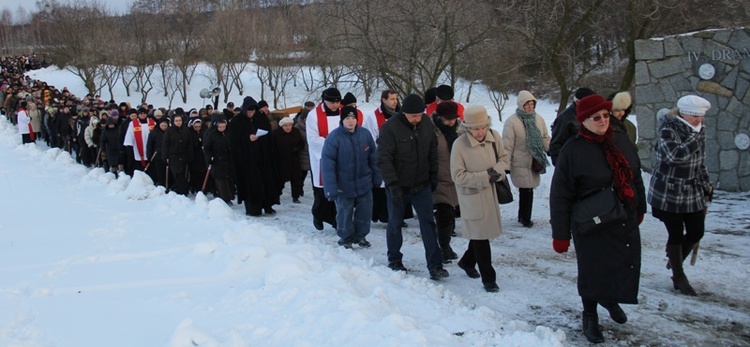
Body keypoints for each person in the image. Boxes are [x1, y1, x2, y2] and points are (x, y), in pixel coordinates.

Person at [550, 94, 646, 344]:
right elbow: (560, 194)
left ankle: (610, 298)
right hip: (590, 221)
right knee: (593, 269)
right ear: (583, 121)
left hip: (622, 215)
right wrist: (560, 234)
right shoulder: (573, 150)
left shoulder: (620, 140)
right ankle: (590, 315)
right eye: (596, 117)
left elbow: (635, 175)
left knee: (620, 262)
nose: (603, 120)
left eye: (605, 115)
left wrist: (640, 207)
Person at [377, 93, 448, 280]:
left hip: (421, 184)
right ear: (404, 113)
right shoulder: (390, 128)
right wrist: (393, 186)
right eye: (413, 116)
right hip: (398, 186)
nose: (417, 119)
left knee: (428, 223)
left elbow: (432, 151)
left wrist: (434, 177)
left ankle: (435, 265)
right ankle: (394, 260)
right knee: (394, 223)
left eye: (419, 115)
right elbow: (384, 159)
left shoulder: (426, 123)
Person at [648, 95, 713, 297]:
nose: (698, 120)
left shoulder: (699, 131)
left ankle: (674, 258)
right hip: (669, 192)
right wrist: (695, 137)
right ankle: (678, 275)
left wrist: (706, 183)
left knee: (696, 231)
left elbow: (699, 161)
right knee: (675, 233)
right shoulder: (669, 130)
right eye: (694, 116)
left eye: (701, 116)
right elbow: (675, 157)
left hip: (692, 191)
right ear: (682, 113)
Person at [450, 105, 509, 292]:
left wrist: (497, 173)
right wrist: (485, 177)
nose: (480, 132)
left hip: (491, 194)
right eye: (476, 128)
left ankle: (467, 261)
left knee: (481, 234)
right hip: (471, 197)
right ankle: (489, 278)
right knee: (480, 237)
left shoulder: (494, 138)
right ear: (467, 128)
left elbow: (505, 160)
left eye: (483, 127)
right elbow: (458, 176)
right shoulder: (459, 145)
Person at [321, 105, 380, 248]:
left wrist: (377, 177)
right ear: (342, 120)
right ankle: (346, 239)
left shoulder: (365, 134)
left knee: (364, 213)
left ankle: (360, 236)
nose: (351, 121)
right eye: (347, 118)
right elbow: (328, 166)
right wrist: (331, 188)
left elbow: (374, 158)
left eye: (353, 118)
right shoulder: (334, 138)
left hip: (364, 183)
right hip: (343, 185)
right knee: (344, 214)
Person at [503, 90, 550, 227]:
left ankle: (523, 216)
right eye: (527, 104)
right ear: (520, 105)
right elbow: (507, 144)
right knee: (526, 189)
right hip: (520, 161)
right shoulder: (512, 122)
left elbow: (544, 137)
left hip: (535, 160)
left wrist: (550, 148)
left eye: (532, 104)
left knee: (529, 189)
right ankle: (525, 218)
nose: (530, 107)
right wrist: (506, 163)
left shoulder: (538, 119)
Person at [228, 96, 281, 216]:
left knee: (266, 181)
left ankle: (268, 205)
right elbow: (233, 141)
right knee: (252, 184)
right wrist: (247, 138)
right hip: (247, 160)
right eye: (249, 111)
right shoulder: (237, 122)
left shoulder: (261, 118)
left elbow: (268, 136)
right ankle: (254, 208)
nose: (251, 113)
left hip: (262, 157)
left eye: (253, 111)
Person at [306, 88, 343, 230]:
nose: (335, 105)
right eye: (331, 102)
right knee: (323, 192)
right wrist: (334, 144)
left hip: (341, 158)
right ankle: (318, 215)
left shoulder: (344, 113)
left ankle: (337, 221)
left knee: (339, 190)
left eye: (337, 102)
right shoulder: (314, 116)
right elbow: (313, 139)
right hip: (321, 157)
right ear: (324, 100)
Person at [362, 89, 400, 224]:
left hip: (399, 158)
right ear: (384, 100)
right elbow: (369, 138)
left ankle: (399, 215)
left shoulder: (401, 114)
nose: (395, 102)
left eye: (396, 99)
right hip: (382, 156)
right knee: (382, 187)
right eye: (392, 99)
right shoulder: (373, 118)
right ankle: (382, 215)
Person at [431, 101, 460, 263]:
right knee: (444, 215)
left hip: (456, 179)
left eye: (453, 118)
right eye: (447, 119)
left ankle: (446, 246)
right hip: (440, 179)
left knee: (451, 216)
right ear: (440, 117)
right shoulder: (433, 132)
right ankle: (443, 248)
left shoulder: (460, 131)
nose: (451, 122)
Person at [549, 87, 596, 165]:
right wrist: (562, 166)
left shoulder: (593, 114)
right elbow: (555, 144)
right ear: (578, 102)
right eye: (588, 102)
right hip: (572, 162)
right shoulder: (564, 118)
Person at [273, 116, 305, 203]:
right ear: (282, 126)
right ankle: (277, 195)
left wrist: (297, 148)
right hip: (281, 161)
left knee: (295, 179)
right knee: (280, 181)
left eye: (289, 125)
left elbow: (301, 143)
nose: (288, 127)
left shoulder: (296, 132)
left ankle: (295, 196)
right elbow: (273, 147)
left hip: (294, 160)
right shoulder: (276, 134)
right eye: (285, 126)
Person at [203, 117, 235, 204]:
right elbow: (207, 148)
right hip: (217, 159)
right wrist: (210, 157)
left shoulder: (228, 134)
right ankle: (224, 198)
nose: (222, 129)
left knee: (229, 179)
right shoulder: (212, 135)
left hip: (227, 159)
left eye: (223, 127)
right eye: (220, 127)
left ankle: (230, 196)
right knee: (221, 180)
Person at [162, 115, 192, 195]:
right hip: (173, 156)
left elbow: (189, 144)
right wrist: (165, 156)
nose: (178, 122)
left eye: (180, 120)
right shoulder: (169, 131)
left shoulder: (186, 130)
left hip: (184, 155)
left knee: (182, 173)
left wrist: (190, 155)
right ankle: (183, 190)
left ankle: (179, 189)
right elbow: (165, 144)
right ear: (173, 122)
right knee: (177, 173)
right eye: (176, 121)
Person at [123, 108, 156, 173]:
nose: (143, 115)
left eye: (144, 113)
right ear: (138, 114)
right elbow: (129, 135)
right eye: (141, 113)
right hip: (138, 149)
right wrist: (129, 145)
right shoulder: (133, 123)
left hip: (150, 147)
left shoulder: (152, 122)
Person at [147, 118, 169, 187]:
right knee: (159, 171)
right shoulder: (154, 133)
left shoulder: (169, 132)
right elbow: (149, 145)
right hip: (157, 155)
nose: (164, 127)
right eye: (162, 125)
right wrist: (149, 156)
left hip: (168, 155)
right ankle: (160, 184)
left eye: (165, 125)